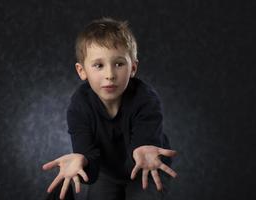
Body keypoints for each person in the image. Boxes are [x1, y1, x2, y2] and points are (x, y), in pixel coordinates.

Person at [42, 17, 177, 200]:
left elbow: (145, 139)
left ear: (133, 68)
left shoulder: (146, 99)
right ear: (82, 71)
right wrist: (82, 159)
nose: (110, 75)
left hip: (146, 165)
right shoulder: (80, 105)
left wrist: (142, 148)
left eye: (119, 64)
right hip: (106, 171)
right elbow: (87, 151)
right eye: (99, 65)